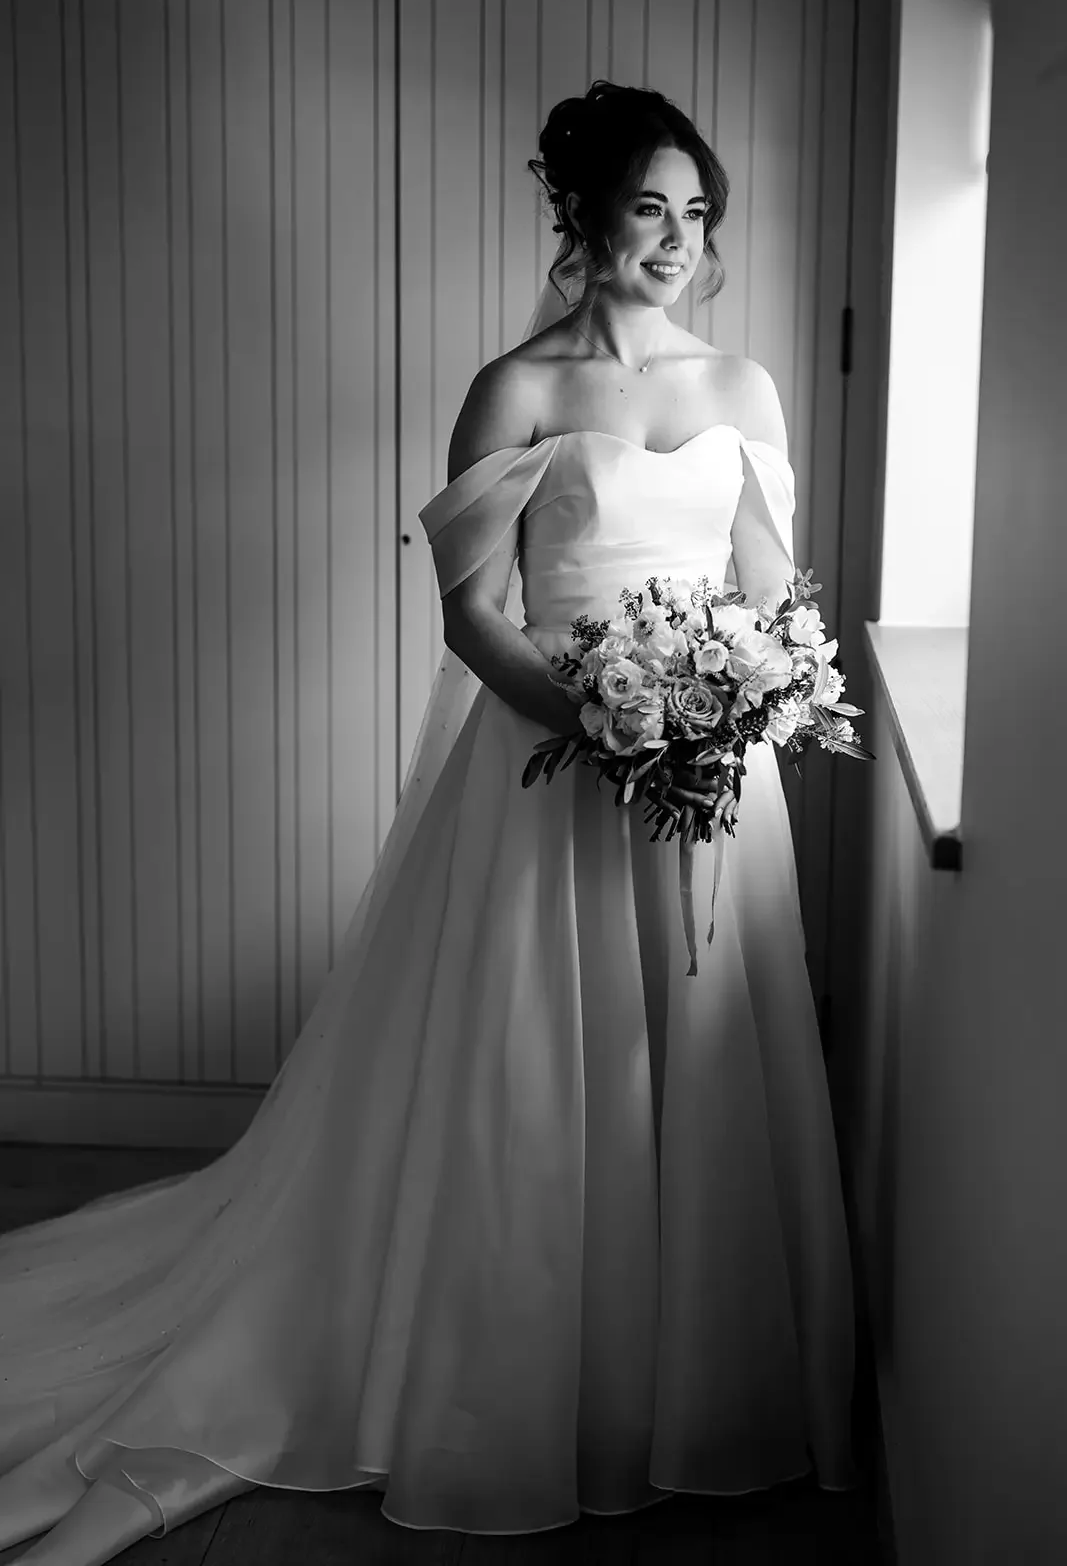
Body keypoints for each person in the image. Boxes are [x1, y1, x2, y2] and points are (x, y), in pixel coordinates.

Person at [0, 80, 857, 1564]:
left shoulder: (744, 389)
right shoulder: (515, 389)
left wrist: (736, 704)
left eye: (696, 211)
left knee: (693, 1073)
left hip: (717, 796)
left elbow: (773, 596)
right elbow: (470, 621)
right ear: (585, 215)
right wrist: (599, 724)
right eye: (648, 207)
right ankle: (508, 1387)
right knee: (536, 1084)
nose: (675, 237)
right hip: (553, 772)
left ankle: (685, 1390)